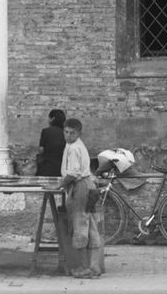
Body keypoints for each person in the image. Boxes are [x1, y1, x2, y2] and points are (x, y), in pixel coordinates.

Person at [57, 117, 103, 279]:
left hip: (81, 187)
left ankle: (85, 267)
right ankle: (95, 267)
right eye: (66, 132)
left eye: (72, 133)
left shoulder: (75, 148)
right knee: (90, 225)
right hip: (88, 185)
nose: (68, 135)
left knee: (80, 226)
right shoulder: (74, 145)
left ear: (79, 133)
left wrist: (60, 185)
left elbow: (73, 172)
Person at [36, 108, 67, 178]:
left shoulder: (46, 131)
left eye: (49, 118)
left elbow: (41, 150)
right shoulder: (66, 133)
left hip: (47, 168)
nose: (48, 120)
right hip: (62, 169)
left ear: (52, 118)